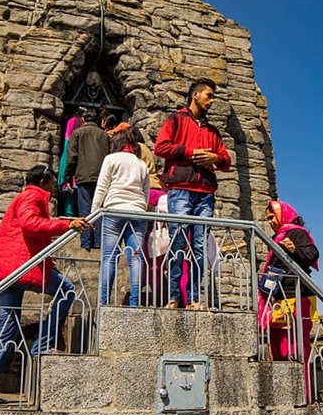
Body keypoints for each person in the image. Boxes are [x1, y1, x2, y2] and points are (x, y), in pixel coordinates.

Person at [0, 165, 90, 405]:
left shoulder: (24, 197)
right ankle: (43, 344)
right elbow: (31, 225)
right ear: (44, 180)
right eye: (52, 181)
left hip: (8, 270)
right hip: (21, 268)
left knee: (7, 330)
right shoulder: (32, 197)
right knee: (67, 290)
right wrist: (65, 224)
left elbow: (27, 238)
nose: (54, 186)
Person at [154, 78, 231, 309]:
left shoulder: (212, 130)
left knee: (199, 245)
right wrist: (190, 152)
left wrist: (214, 158)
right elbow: (160, 147)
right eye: (209, 95)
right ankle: (175, 296)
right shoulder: (175, 120)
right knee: (178, 242)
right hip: (180, 190)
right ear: (195, 95)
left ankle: (195, 298)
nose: (212, 100)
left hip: (205, 192)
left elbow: (226, 160)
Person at [259, 200, 320, 399]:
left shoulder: (296, 233)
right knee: (279, 347)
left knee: (296, 347)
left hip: (297, 297)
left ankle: (304, 393)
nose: (270, 221)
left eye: (272, 217)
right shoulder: (277, 236)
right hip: (280, 297)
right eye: (268, 218)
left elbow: (311, 254)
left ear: (283, 214)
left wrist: (294, 249)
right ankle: (285, 395)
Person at [92, 128, 149, 307]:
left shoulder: (111, 159)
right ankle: (134, 303)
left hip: (114, 210)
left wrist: (94, 213)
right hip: (138, 213)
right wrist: (140, 208)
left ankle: (104, 302)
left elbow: (102, 187)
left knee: (109, 257)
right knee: (136, 258)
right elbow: (146, 194)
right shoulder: (142, 165)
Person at [64, 110, 109, 250]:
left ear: (83, 119)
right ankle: (98, 242)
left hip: (83, 176)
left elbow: (72, 158)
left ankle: (86, 242)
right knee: (99, 209)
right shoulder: (104, 136)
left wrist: (67, 177)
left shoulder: (77, 133)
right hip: (102, 177)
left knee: (85, 210)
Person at [57, 106, 86, 216]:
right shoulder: (83, 125)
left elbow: (67, 140)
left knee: (69, 190)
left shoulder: (71, 121)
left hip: (69, 152)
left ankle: (69, 213)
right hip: (82, 157)